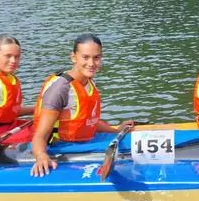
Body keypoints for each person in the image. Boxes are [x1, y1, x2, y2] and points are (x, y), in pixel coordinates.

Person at [30, 34, 135, 177]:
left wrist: (114, 130)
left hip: (85, 141)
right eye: (85, 57)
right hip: (62, 146)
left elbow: (87, 121)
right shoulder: (60, 89)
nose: (91, 63)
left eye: (96, 57)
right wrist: (41, 156)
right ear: (73, 57)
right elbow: (39, 136)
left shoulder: (89, 82)